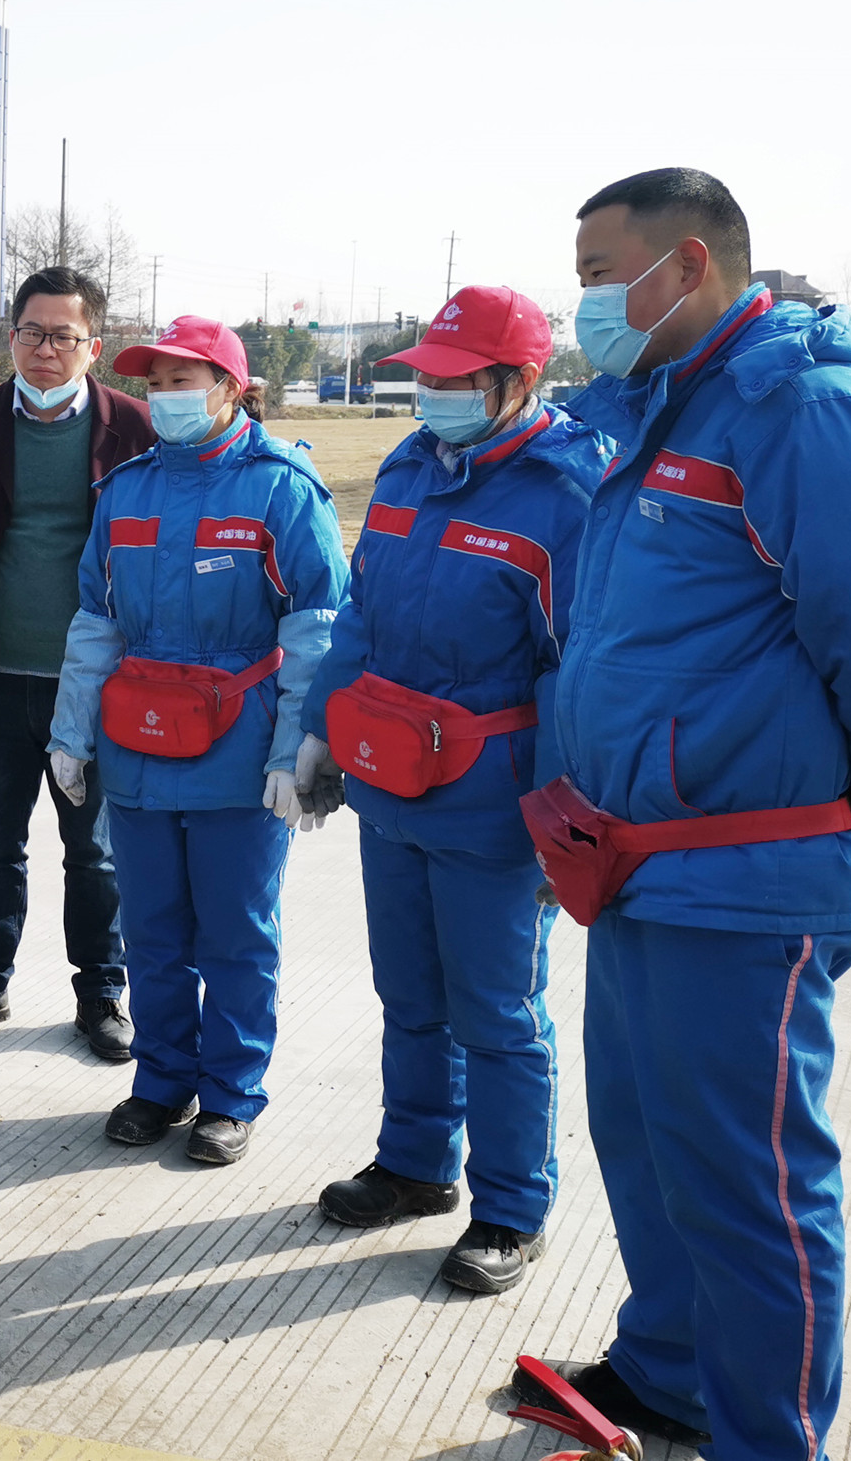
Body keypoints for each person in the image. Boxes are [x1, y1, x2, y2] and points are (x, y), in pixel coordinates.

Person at [512, 169, 851, 1459]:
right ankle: (670, 1373)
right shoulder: (662, 403)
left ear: (687, 265)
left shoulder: (803, 409)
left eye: (598, 276)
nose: (584, 304)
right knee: (649, 1144)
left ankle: (767, 1436)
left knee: (748, 1183)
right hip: (635, 865)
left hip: (743, 879)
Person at [295, 286, 612, 1294]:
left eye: (454, 379)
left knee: (497, 1011)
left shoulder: (568, 495)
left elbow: (576, 671)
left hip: (495, 807)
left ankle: (511, 1205)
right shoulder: (408, 470)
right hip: (391, 784)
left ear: (521, 380)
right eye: (424, 376)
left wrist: (565, 820)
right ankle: (414, 1163)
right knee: (409, 995)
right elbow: (359, 617)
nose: (431, 393)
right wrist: (318, 729)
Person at [48, 316, 347, 1165]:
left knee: (236, 932)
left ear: (229, 388)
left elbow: (317, 627)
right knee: (151, 929)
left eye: (183, 379)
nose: (165, 396)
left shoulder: (282, 489)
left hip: (238, 749)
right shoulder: (126, 491)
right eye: (155, 382)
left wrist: (298, 749)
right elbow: (97, 620)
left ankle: (230, 1093)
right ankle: (162, 1078)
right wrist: (71, 731)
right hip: (139, 743)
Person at [0, 267, 154, 1061]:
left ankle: (102, 991)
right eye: (31, 333)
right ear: (11, 336)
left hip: (94, 686)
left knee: (96, 852)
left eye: (63, 336)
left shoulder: (134, 428)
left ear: (94, 346)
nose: (45, 350)